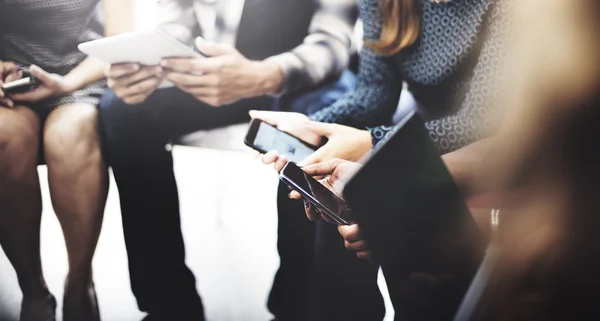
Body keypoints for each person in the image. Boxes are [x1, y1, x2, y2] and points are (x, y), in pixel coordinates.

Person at [252, 0, 512, 319]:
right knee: (315, 183)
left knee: (358, 193)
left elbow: (479, 125)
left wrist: (371, 142)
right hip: (421, 124)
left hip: (494, 135)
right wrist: (314, 128)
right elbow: (374, 93)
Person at [99, 1, 358, 320]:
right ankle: (169, 303)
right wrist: (151, 63)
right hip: (214, 76)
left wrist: (265, 74)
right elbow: (181, 22)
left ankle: (298, 307)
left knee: (318, 132)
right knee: (122, 109)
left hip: (303, 77)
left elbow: (332, 41)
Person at [0, 1, 132, 320]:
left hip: (82, 75)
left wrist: (68, 83)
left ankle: (79, 281)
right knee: (4, 138)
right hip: (11, 84)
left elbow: (121, 37)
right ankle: (33, 290)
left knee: (70, 137)